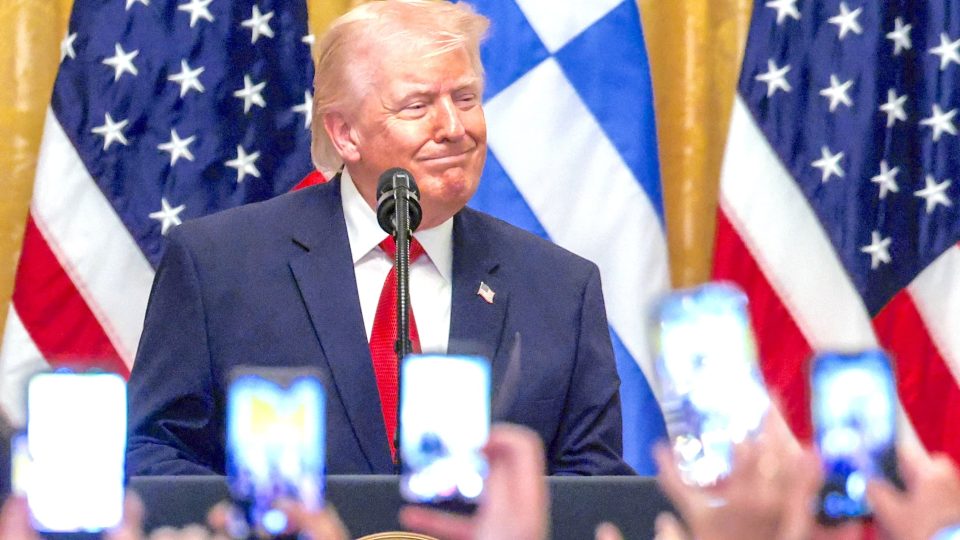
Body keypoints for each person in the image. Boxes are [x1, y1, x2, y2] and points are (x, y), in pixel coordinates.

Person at [126, 0, 631, 477]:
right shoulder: (220, 265)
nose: (454, 127)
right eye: (417, 105)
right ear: (345, 133)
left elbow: (593, 485)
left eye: (465, 99)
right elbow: (154, 452)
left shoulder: (562, 289)